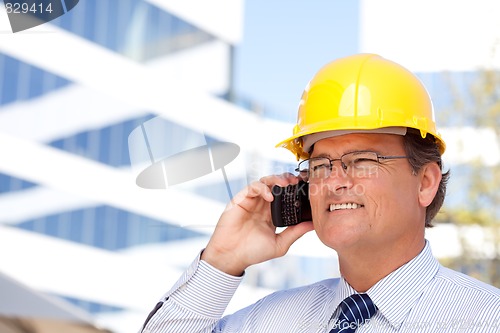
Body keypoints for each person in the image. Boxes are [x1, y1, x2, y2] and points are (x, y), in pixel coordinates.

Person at [139, 54, 500, 332]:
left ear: (425, 183)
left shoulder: (486, 320)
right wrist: (222, 261)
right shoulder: (270, 321)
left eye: (361, 160)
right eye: (320, 165)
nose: (334, 180)